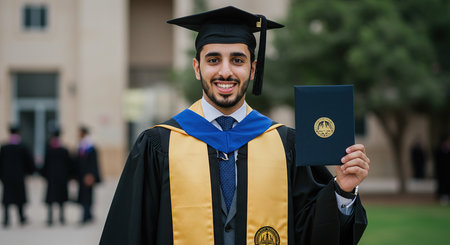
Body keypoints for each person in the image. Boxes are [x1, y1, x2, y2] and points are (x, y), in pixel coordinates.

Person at [100, 6, 370, 245]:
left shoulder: (285, 144)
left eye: (237, 60)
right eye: (213, 59)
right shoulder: (159, 144)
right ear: (197, 68)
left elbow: (313, 231)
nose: (225, 72)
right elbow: (129, 232)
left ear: (252, 69)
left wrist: (342, 190)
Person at [0, 125, 35, 228]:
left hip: (7, 176)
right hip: (19, 176)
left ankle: (6, 219)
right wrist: (31, 172)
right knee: (19, 197)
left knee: (7, 197)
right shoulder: (22, 147)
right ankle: (21, 217)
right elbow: (29, 162)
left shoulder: (4, 147)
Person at [40, 128, 73, 226]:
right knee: (61, 198)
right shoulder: (64, 149)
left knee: (51, 198)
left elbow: (45, 164)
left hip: (51, 177)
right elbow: (69, 164)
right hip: (62, 177)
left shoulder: (48, 148)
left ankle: (50, 218)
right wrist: (70, 175)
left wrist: (44, 175)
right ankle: (61, 218)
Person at [75, 126, 101, 224]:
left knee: (87, 196)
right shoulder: (80, 146)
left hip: (88, 176)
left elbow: (93, 163)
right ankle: (88, 215)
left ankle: (86, 216)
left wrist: (91, 175)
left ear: (83, 133)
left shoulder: (90, 147)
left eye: (79, 132)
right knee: (84, 195)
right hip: (82, 176)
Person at [434, 134, 450, 205]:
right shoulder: (439, 151)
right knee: (442, 185)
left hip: (448, 172)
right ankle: (442, 198)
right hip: (441, 172)